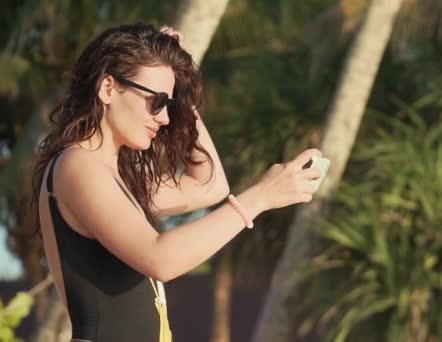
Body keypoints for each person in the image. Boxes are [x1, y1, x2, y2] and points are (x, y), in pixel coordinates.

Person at [31, 23, 322, 342]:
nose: (165, 117)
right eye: (156, 101)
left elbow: (211, 185)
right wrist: (259, 198)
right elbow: (161, 259)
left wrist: (181, 97)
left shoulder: (117, 177)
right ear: (108, 88)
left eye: (168, 104)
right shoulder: (77, 166)